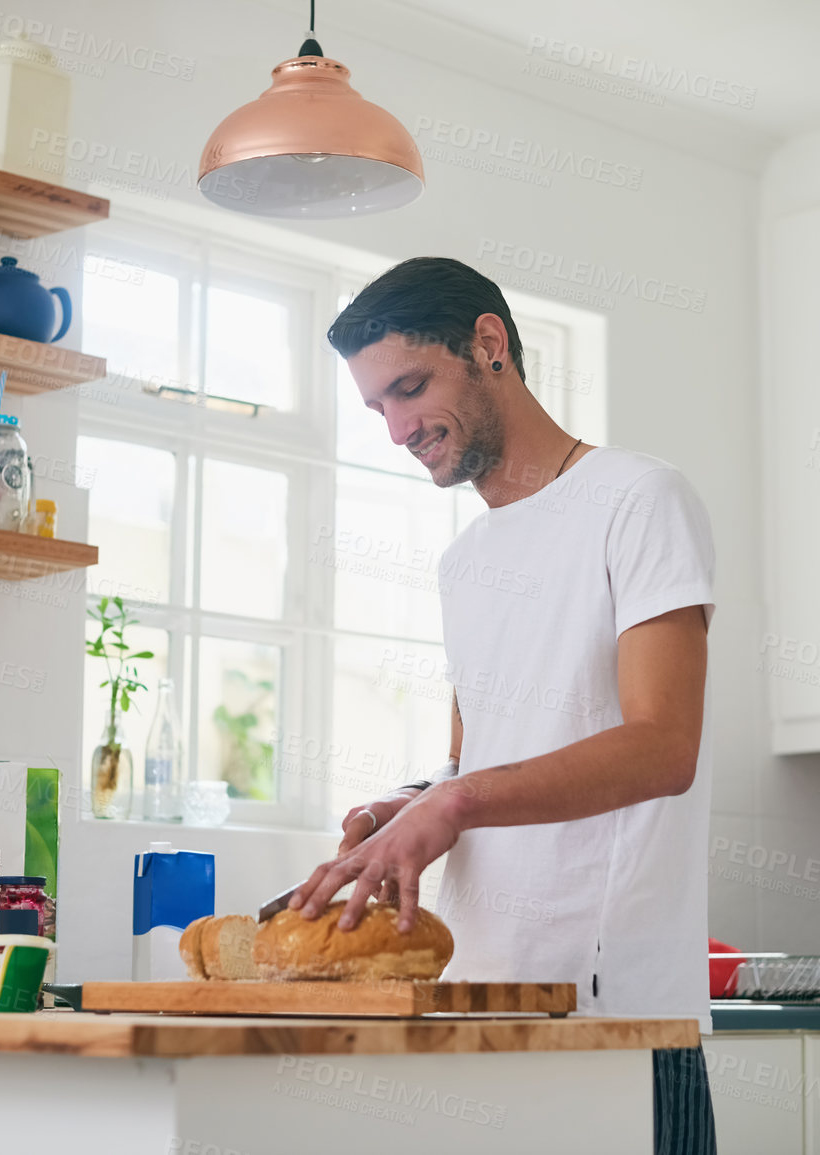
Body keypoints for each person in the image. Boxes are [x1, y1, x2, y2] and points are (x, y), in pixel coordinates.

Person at [292, 256, 717, 1154]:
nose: (398, 429)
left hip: (617, 1012)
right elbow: (477, 764)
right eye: (378, 409)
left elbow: (662, 745)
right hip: (481, 999)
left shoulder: (638, 500)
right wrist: (403, 808)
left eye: (410, 388)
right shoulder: (464, 562)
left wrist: (453, 802)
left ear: (489, 343)